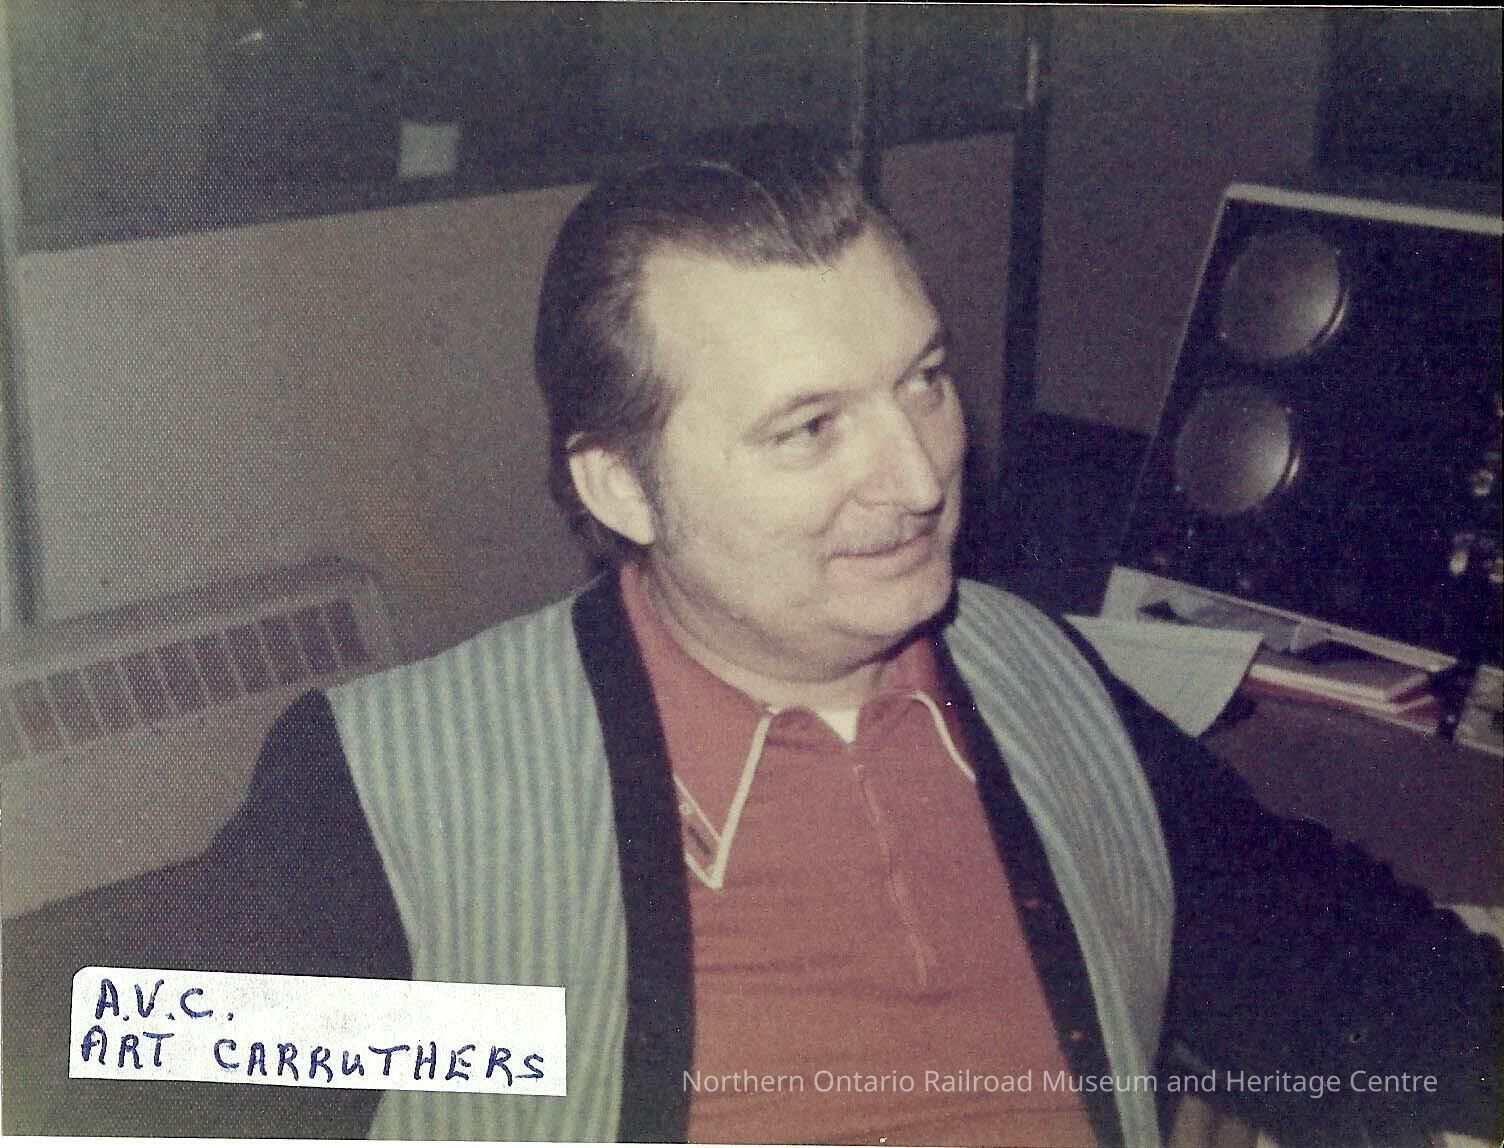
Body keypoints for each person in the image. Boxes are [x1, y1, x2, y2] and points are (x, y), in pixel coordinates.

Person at [3, 127, 1498, 1147]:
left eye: (922, 380)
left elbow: (1329, 965)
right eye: (809, 427)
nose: (919, 476)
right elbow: (110, 1068)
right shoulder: (414, 792)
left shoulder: (1036, 682)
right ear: (619, 486)